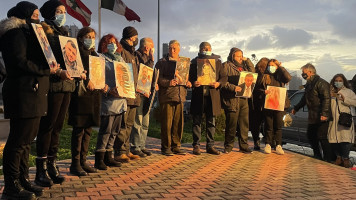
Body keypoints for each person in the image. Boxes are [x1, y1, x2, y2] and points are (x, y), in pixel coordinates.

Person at [0, 2, 58, 199]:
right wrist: (46, 70)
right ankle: (11, 186)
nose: (38, 18)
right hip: (23, 93)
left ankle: (23, 180)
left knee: (26, 143)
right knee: (18, 141)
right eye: (34, 14)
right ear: (24, 15)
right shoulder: (14, 33)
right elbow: (19, 62)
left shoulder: (30, 34)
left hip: (35, 93)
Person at [35, 0, 76, 187]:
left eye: (64, 11)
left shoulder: (66, 34)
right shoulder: (43, 32)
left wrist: (77, 71)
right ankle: (41, 168)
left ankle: (52, 163)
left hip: (67, 86)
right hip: (53, 85)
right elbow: (45, 58)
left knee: (58, 127)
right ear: (50, 13)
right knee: (48, 126)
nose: (62, 14)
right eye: (59, 11)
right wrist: (58, 71)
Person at [67, 27, 110, 176]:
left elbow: (99, 75)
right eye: (87, 36)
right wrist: (84, 79)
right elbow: (72, 71)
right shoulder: (75, 53)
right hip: (80, 97)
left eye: (93, 37)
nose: (90, 39)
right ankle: (75, 163)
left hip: (93, 98)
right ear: (80, 38)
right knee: (79, 131)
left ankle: (84, 161)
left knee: (88, 130)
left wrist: (102, 84)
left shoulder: (96, 56)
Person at [95, 34, 127, 170]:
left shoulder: (121, 59)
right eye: (109, 43)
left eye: (114, 43)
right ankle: (99, 158)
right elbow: (98, 79)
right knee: (105, 130)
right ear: (104, 45)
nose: (112, 45)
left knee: (115, 131)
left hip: (120, 101)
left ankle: (109, 156)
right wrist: (108, 90)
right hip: (108, 101)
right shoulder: (100, 58)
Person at [189, 42, 227, 155]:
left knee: (211, 122)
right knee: (197, 122)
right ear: (200, 50)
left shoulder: (217, 62)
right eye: (204, 48)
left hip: (212, 96)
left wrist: (218, 83)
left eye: (208, 48)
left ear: (211, 49)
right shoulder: (194, 62)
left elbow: (224, 77)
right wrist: (193, 82)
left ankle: (210, 145)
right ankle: (196, 145)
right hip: (198, 96)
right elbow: (189, 77)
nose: (206, 50)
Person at [156, 40, 192, 156]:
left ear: (179, 49)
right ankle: (166, 147)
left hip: (180, 96)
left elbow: (186, 77)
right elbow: (157, 78)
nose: (172, 50)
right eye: (170, 48)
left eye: (175, 48)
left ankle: (176, 146)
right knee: (167, 123)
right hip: (167, 96)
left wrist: (188, 83)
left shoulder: (184, 63)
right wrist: (168, 82)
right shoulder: (162, 62)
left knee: (178, 123)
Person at [291, 63, 332, 161]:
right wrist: (296, 108)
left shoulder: (321, 83)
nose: (303, 75)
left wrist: (324, 113)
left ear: (310, 72)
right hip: (313, 115)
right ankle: (317, 155)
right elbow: (305, 99)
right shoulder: (309, 84)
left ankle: (328, 159)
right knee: (311, 135)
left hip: (321, 115)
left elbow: (326, 99)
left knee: (322, 137)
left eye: (303, 72)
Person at [113, 26, 141, 162]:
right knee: (122, 125)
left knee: (129, 124)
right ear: (130, 37)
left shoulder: (133, 53)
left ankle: (127, 149)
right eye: (135, 37)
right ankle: (119, 151)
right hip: (125, 94)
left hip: (134, 95)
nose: (136, 40)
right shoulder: (122, 51)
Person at [221, 48, 254, 153]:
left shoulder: (244, 66)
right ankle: (228, 145)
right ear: (232, 56)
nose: (240, 58)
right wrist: (233, 87)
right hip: (232, 99)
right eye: (238, 56)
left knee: (244, 124)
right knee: (231, 124)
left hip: (244, 98)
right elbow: (222, 82)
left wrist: (247, 60)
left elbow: (252, 73)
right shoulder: (226, 65)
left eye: (241, 56)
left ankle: (243, 145)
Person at [130, 37, 156, 157]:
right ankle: (135, 146)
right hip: (139, 93)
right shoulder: (137, 56)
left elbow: (151, 74)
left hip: (148, 94)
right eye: (152, 47)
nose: (153, 49)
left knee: (145, 122)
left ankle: (142, 145)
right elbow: (143, 72)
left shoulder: (148, 58)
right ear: (147, 47)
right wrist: (151, 59)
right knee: (138, 121)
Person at [261, 59, 291, 155]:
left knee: (278, 126)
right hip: (269, 104)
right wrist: (264, 92)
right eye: (269, 65)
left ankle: (278, 145)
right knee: (269, 125)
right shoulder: (265, 76)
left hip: (280, 104)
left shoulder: (280, 76)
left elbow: (288, 77)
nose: (271, 67)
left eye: (273, 65)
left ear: (277, 66)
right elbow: (258, 88)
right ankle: (268, 144)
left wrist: (281, 68)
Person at [328, 74, 356, 168]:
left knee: (345, 140)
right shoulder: (329, 92)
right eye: (336, 80)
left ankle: (346, 158)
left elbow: (355, 102)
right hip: (333, 120)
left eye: (340, 80)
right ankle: (338, 157)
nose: (338, 82)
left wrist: (345, 99)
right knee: (334, 141)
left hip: (344, 119)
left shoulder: (348, 92)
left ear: (343, 81)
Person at [250, 57, 270, 150]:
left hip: (256, 102)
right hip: (264, 102)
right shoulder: (264, 75)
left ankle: (256, 141)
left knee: (256, 124)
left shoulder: (255, 74)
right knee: (266, 123)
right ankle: (267, 142)